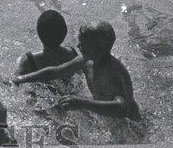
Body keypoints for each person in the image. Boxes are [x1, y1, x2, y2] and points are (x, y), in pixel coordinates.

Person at [13, 20, 141, 121]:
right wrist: (23, 78)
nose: (78, 46)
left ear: (97, 49)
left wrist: (82, 103)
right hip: (109, 120)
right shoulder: (86, 61)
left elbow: (122, 108)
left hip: (130, 125)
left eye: (82, 43)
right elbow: (56, 71)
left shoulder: (112, 73)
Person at [15, 10, 78, 75]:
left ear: (39, 33)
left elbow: (13, 81)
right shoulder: (71, 53)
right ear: (65, 32)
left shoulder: (30, 60)